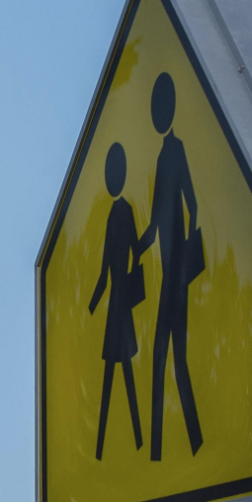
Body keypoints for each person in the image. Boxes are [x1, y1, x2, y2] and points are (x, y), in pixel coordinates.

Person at [136, 72, 205, 461]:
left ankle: (161, 451)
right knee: (171, 358)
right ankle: (188, 442)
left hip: (174, 278)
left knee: (165, 357)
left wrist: (182, 255)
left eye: (158, 107)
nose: (155, 114)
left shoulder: (173, 152)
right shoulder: (166, 154)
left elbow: (186, 204)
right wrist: (141, 247)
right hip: (171, 275)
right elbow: (162, 217)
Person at [87, 141, 145, 459]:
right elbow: (106, 268)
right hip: (117, 304)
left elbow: (124, 257)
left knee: (123, 373)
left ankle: (129, 441)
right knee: (117, 373)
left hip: (119, 305)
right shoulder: (117, 212)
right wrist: (91, 305)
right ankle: (110, 445)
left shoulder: (121, 212)